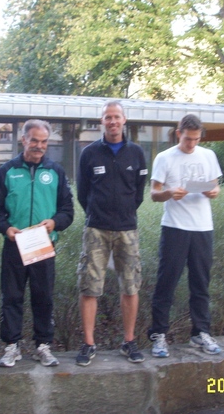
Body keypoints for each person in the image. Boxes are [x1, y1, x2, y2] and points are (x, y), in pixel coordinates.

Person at [0, 119, 74, 368]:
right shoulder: (7, 171)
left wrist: (54, 223)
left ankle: (42, 346)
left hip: (43, 245)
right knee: (12, 297)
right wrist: (6, 228)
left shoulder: (55, 171)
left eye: (44, 141)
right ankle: (11, 346)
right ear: (23, 139)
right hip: (15, 244)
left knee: (43, 297)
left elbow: (67, 210)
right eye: (34, 140)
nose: (39, 146)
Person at [76, 101, 148, 366]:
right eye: (108, 117)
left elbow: (139, 193)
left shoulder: (137, 153)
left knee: (130, 286)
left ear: (124, 120)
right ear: (102, 121)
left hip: (127, 229)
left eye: (116, 116)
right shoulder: (89, 153)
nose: (112, 121)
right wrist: (98, 213)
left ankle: (129, 341)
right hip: (96, 229)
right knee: (89, 287)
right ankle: (88, 344)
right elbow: (82, 193)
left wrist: (124, 212)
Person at [147, 114, 222, 358]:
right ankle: (159, 334)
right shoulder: (164, 157)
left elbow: (215, 185)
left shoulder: (208, 155)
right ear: (179, 133)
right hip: (175, 227)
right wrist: (169, 193)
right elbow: (153, 193)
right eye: (188, 139)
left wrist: (214, 191)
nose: (192, 144)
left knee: (201, 284)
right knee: (166, 283)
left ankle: (201, 332)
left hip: (203, 227)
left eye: (196, 139)